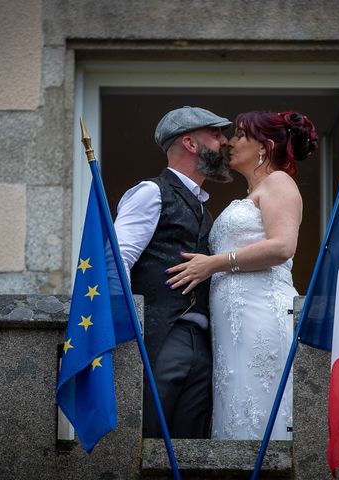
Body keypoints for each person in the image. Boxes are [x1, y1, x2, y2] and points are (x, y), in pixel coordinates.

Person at [166, 110, 318, 440]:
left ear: (264, 145)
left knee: (258, 401)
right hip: (232, 325)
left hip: (260, 313)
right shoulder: (251, 194)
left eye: (239, 136)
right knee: (234, 403)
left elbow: (282, 246)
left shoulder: (279, 182)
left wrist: (213, 263)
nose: (230, 142)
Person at [114, 106, 232, 438]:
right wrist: (130, 329)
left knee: (189, 444)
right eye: (216, 133)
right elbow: (117, 260)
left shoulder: (203, 208)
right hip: (160, 337)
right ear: (190, 143)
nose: (224, 141)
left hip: (202, 343)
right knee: (149, 435)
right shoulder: (151, 192)